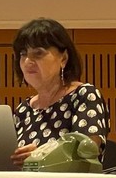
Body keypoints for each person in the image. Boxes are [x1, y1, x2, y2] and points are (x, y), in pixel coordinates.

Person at [10, 17, 109, 167]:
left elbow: (87, 151)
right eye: (23, 54)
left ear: (63, 58)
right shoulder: (23, 110)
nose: (27, 61)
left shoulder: (84, 95)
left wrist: (40, 155)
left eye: (38, 53)